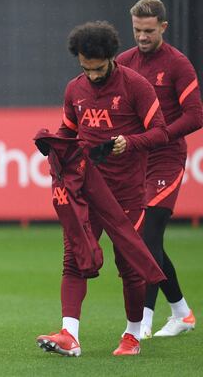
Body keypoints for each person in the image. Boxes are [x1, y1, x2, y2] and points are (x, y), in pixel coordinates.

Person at [36, 21, 169, 357]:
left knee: (129, 266)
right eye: (85, 69)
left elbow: (161, 132)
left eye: (97, 69)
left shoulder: (136, 86)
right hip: (85, 190)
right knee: (74, 259)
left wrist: (131, 142)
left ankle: (133, 335)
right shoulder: (74, 89)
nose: (92, 75)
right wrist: (50, 143)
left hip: (126, 193)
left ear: (111, 58)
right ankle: (70, 335)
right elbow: (67, 132)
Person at [116, 0, 201, 338]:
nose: (142, 37)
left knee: (144, 237)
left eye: (149, 31)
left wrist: (160, 135)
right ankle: (181, 311)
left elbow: (195, 116)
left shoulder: (178, 64)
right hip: (135, 160)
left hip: (166, 158)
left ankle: (142, 323)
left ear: (163, 27)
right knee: (145, 240)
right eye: (137, 30)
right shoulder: (122, 62)